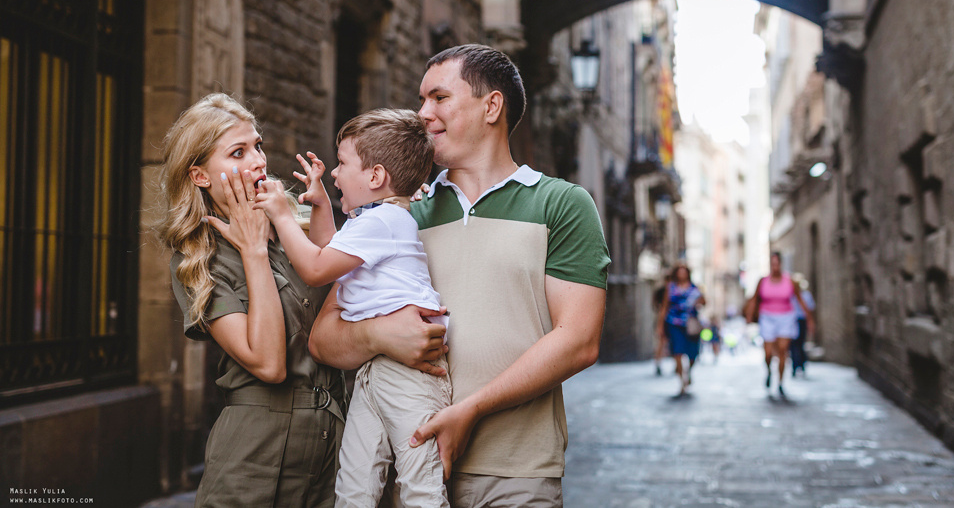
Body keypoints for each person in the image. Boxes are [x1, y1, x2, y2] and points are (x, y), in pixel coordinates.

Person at [309, 43, 610, 507]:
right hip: (407, 470)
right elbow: (324, 338)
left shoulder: (562, 204)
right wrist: (381, 335)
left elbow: (579, 339)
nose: (423, 112)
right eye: (422, 99)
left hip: (517, 473)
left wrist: (469, 411)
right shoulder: (396, 214)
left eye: (439, 97)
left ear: (492, 106)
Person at [253, 108, 451, 508]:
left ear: (376, 177)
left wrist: (280, 213)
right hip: (376, 369)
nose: (335, 174)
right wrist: (323, 205)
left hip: (408, 376)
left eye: (343, 164)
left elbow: (314, 268)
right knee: (355, 483)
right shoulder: (376, 221)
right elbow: (332, 252)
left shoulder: (384, 223)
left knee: (420, 488)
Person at [158, 93, 346, 507]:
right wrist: (253, 251)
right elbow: (268, 363)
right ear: (200, 176)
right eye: (238, 152)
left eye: (257, 145)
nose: (259, 160)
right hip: (255, 461)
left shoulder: (291, 221)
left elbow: (344, 290)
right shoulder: (197, 259)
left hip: (333, 451)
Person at [745, 252, 815, 398]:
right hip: (767, 317)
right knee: (768, 353)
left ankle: (781, 382)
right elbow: (754, 298)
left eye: (777, 264)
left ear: (781, 264)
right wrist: (749, 315)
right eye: (773, 264)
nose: (775, 267)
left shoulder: (790, 281)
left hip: (786, 317)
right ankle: (769, 371)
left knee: (783, 350)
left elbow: (800, 300)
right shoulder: (762, 281)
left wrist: (809, 318)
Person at [656, 264, 705, 395]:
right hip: (674, 323)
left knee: (693, 354)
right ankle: (682, 380)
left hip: (690, 324)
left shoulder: (695, 288)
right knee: (677, 352)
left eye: (684, 272)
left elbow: (704, 302)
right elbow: (664, 307)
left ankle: (688, 372)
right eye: (679, 272)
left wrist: (699, 302)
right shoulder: (670, 287)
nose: (681, 274)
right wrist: (660, 325)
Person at [789, 274, 816, 378]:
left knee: (800, 344)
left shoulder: (806, 295)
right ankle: (795, 365)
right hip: (792, 321)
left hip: (801, 321)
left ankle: (801, 364)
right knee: (793, 345)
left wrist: (810, 322)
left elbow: (810, 309)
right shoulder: (791, 295)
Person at [652, 284, 668, 376]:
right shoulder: (663, 291)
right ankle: (658, 363)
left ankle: (658, 363)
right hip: (664, 320)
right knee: (661, 343)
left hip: (663, 320)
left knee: (661, 344)